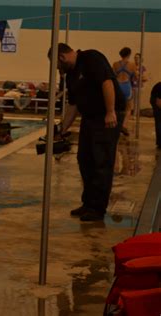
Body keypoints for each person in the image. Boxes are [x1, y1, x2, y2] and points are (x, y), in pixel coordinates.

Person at [51, 43, 125, 221]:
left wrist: (110, 111)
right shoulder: (71, 75)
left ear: (61, 57)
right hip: (89, 118)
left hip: (106, 116)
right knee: (84, 159)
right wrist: (62, 129)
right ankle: (88, 203)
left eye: (57, 66)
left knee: (101, 161)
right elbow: (73, 105)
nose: (58, 69)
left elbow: (107, 82)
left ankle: (98, 209)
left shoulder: (91, 58)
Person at [112, 47, 137, 136]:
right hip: (126, 85)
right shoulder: (132, 65)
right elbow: (136, 77)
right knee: (129, 108)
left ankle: (114, 124)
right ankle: (124, 125)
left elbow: (113, 76)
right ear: (129, 54)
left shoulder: (115, 64)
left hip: (118, 86)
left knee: (115, 106)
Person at [150, 82, 161, 148]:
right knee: (159, 121)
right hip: (157, 101)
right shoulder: (159, 87)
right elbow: (159, 103)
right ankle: (160, 142)